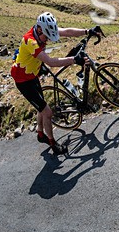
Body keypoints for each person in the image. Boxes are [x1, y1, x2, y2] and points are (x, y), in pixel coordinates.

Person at [11, 12, 97, 156]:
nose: (48, 40)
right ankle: (53, 144)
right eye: (47, 37)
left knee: (41, 105)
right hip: (23, 80)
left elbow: (67, 32)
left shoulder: (44, 29)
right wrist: (75, 60)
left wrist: (87, 31)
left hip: (33, 73)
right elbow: (52, 62)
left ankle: (40, 133)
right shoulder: (30, 41)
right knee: (47, 112)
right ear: (39, 30)